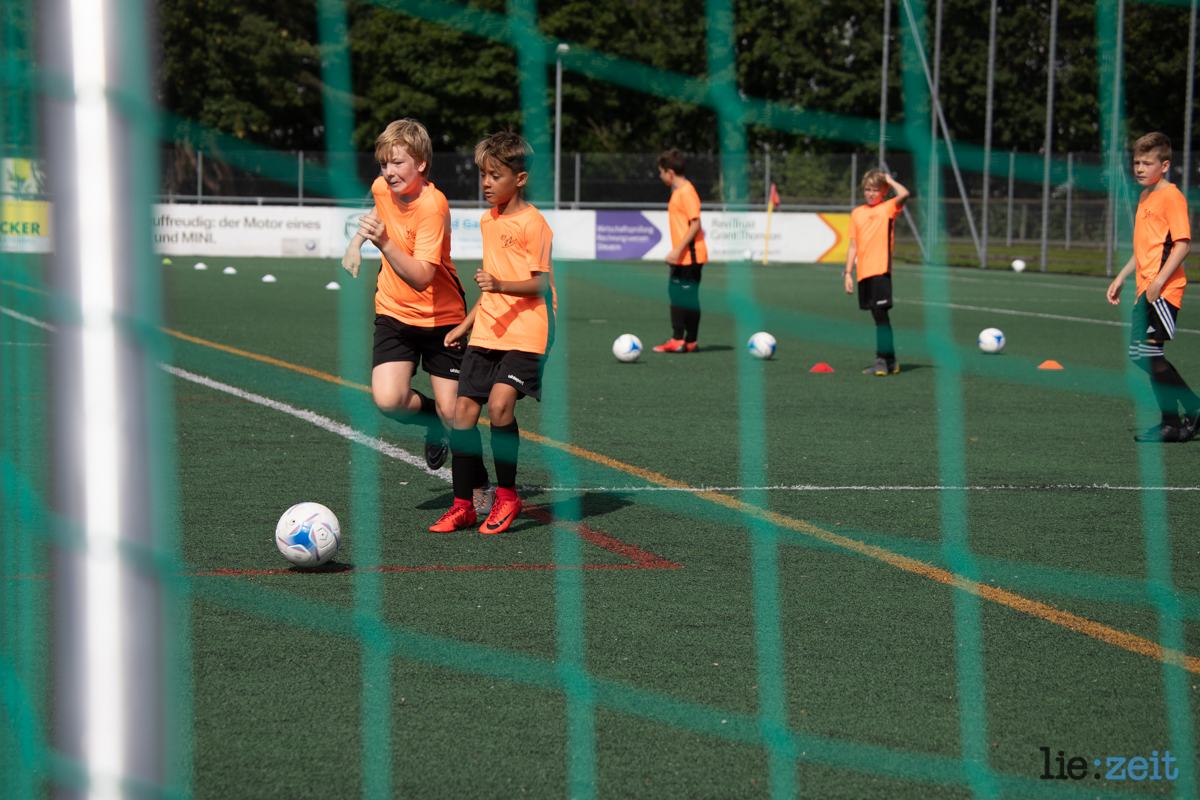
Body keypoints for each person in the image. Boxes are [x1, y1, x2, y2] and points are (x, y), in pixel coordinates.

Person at [429, 131, 556, 534]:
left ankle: (507, 496)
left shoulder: (534, 224)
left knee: (500, 406)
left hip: (529, 330)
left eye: (495, 175)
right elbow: (490, 289)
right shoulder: (488, 220)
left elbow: (539, 284)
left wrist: (499, 285)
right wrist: (465, 325)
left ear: (520, 178)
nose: (486, 183)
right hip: (488, 329)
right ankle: (463, 505)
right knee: (463, 414)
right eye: (483, 174)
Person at [343, 119, 467, 470]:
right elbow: (378, 210)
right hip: (394, 312)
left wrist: (383, 242)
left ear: (421, 163)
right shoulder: (382, 187)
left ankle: (477, 484)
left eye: (397, 163)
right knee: (389, 400)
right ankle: (430, 422)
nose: (389, 172)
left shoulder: (433, 206)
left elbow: (423, 278)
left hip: (443, 319)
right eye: (384, 164)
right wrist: (355, 243)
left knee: (454, 414)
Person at [1106, 131, 1199, 442]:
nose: (1139, 168)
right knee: (1140, 354)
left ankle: (1172, 422)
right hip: (1144, 289)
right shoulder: (1145, 197)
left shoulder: (1172, 196)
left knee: (1148, 352)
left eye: (1147, 163)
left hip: (1163, 289)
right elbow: (1144, 249)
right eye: (1136, 162)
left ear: (1165, 165)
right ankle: (1191, 409)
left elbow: (1183, 245)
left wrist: (1159, 281)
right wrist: (1121, 276)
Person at [843, 169, 910, 376]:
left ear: (883, 192)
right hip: (863, 272)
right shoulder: (857, 213)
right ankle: (891, 360)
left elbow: (904, 193)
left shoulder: (888, 207)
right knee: (876, 315)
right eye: (867, 189)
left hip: (880, 269)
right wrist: (848, 273)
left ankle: (881, 359)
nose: (871, 193)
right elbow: (853, 246)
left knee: (881, 315)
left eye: (875, 190)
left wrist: (889, 180)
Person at [652, 148, 707, 353]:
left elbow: (696, 223)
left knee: (683, 296)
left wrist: (677, 250)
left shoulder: (687, 192)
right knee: (681, 295)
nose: (660, 176)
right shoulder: (677, 192)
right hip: (683, 257)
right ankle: (688, 341)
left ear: (670, 172)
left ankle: (681, 340)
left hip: (690, 257)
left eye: (661, 172)